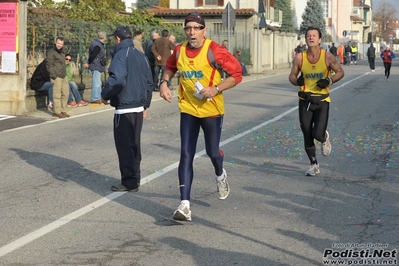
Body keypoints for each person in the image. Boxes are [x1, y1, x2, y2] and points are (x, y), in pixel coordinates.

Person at [159, 12, 242, 221]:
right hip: (188, 109)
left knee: (213, 152)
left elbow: (237, 75)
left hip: (211, 110)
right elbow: (169, 67)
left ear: (204, 30)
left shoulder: (214, 50)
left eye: (196, 28)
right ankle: (185, 204)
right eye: (188, 28)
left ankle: (220, 174)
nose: (192, 32)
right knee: (186, 154)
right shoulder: (179, 50)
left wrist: (216, 88)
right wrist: (164, 83)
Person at [101, 26, 154, 192]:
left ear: (117, 39)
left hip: (124, 107)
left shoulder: (120, 54)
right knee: (134, 145)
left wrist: (105, 95)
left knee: (125, 146)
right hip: (138, 107)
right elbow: (149, 83)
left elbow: (117, 80)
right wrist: (145, 104)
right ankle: (135, 178)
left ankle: (129, 181)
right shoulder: (140, 55)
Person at [288, 26, 344, 176]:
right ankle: (314, 165)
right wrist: (297, 81)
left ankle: (324, 137)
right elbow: (292, 76)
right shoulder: (300, 57)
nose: (311, 38)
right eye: (308, 36)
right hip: (305, 100)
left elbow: (340, 72)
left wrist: (329, 81)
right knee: (307, 134)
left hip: (322, 101)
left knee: (317, 134)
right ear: (305, 39)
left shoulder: (327, 57)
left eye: (314, 36)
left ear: (319, 39)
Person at [46, 37, 70, 119]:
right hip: (56, 76)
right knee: (57, 94)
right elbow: (49, 65)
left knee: (65, 93)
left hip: (63, 75)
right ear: (55, 43)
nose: (59, 45)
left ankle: (62, 110)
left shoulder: (63, 52)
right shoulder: (51, 53)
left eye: (61, 44)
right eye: (58, 43)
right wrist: (54, 76)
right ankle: (57, 112)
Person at [84, 31, 107, 104]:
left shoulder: (97, 44)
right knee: (96, 82)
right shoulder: (97, 45)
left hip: (97, 65)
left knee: (98, 82)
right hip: (96, 65)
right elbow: (93, 55)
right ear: (104, 37)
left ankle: (98, 97)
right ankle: (95, 98)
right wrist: (89, 63)